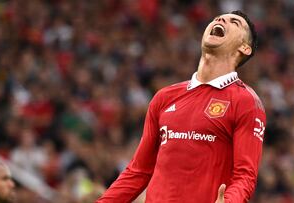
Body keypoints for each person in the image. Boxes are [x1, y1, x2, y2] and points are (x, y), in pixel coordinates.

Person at [97, 10, 266, 203]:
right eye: (218, 18)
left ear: (245, 48)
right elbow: (138, 171)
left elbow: (245, 176)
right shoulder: (164, 97)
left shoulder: (246, 102)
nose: (220, 20)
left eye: (234, 22)